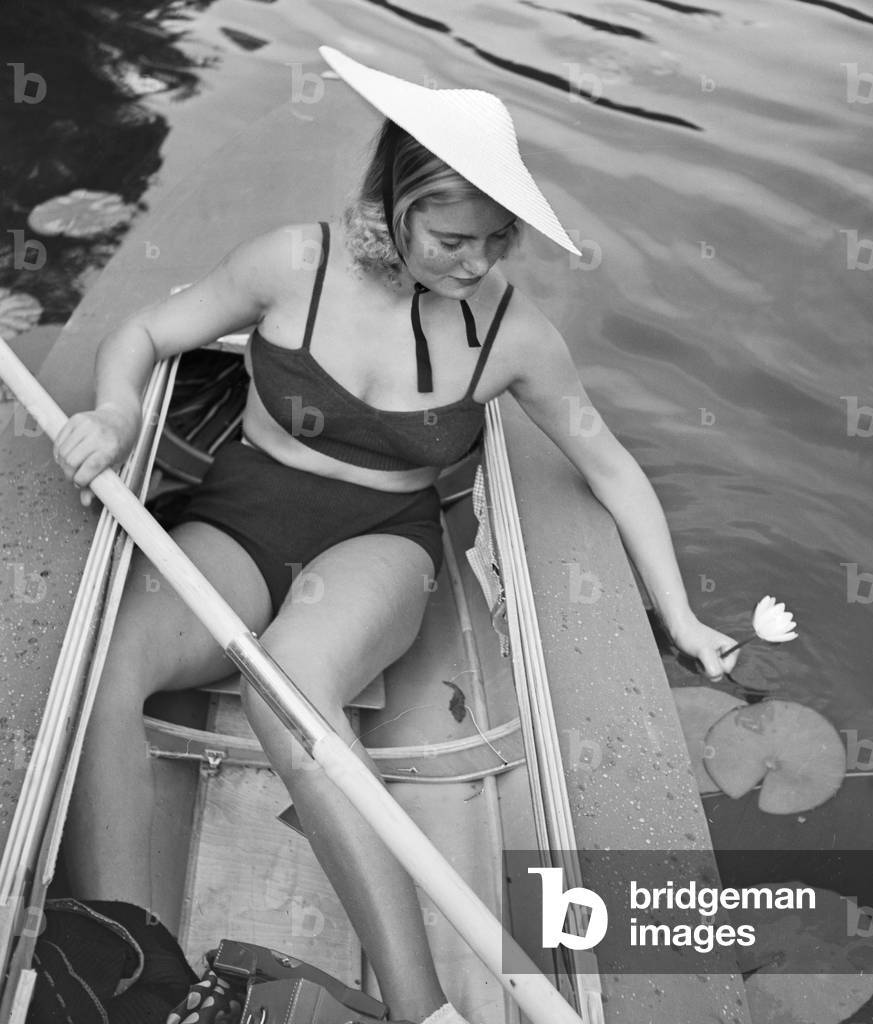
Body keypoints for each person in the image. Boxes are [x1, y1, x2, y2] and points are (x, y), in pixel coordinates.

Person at [43, 46, 740, 1024]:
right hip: (241, 515)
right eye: (456, 238)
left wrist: (681, 618)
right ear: (394, 201)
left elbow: (612, 465)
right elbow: (150, 335)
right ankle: (140, 970)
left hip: (383, 542)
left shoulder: (512, 333)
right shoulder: (293, 262)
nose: (479, 262)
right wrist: (116, 417)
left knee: (287, 685)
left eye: (496, 240)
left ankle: (422, 1008)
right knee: (113, 670)